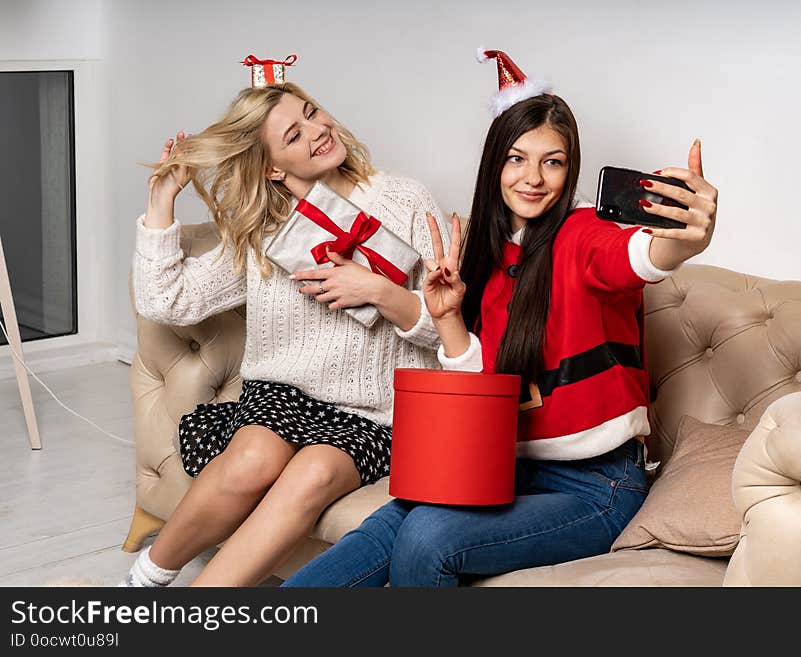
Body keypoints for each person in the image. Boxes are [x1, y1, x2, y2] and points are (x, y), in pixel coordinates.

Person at [282, 49, 718, 587]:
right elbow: (483, 401)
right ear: (495, 164)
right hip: (500, 465)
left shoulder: (583, 234)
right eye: (517, 158)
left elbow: (637, 255)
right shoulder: (488, 254)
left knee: (428, 537)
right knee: (380, 530)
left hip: (595, 487)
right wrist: (446, 320)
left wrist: (685, 242)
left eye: (552, 161)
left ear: (570, 167)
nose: (533, 178)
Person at [122, 74, 449, 587]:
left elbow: (448, 331)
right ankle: (142, 582)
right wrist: (162, 199)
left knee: (313, 473)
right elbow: (166, 301)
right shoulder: (266, 230)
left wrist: (380, 292)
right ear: (272, 167)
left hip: (379, 412)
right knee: (252, 457)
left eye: (311, 113)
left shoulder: (404, 199)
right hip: (285, 395)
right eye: (293, 135)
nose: (317, 130)